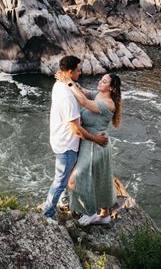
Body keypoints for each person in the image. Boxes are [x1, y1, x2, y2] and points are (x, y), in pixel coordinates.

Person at [42, 55, 108, 224]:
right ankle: (47, 214)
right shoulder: (68, 97)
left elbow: (83, 94)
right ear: (70, 72)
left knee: (68, 177)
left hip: (58, 138)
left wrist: (71, 82)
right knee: (61, 180)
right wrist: (97, 139)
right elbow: (76, 130)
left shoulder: (60, 85)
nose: (81, 72)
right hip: (67, 144)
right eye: (78, 70)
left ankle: (66, 203)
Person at [57, 72, 122, 225]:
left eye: (104, 81)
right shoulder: (98, 95)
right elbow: (83, 91)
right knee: (101, 179)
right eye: (101, 79)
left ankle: (91, 212)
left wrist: (69, 83)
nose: (100, 82)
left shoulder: (108, 104)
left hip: (97, 145)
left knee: (75, 179)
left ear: (111, 88)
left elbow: (84, 102)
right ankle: (104, 215)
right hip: (89, 142)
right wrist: (68, 78)